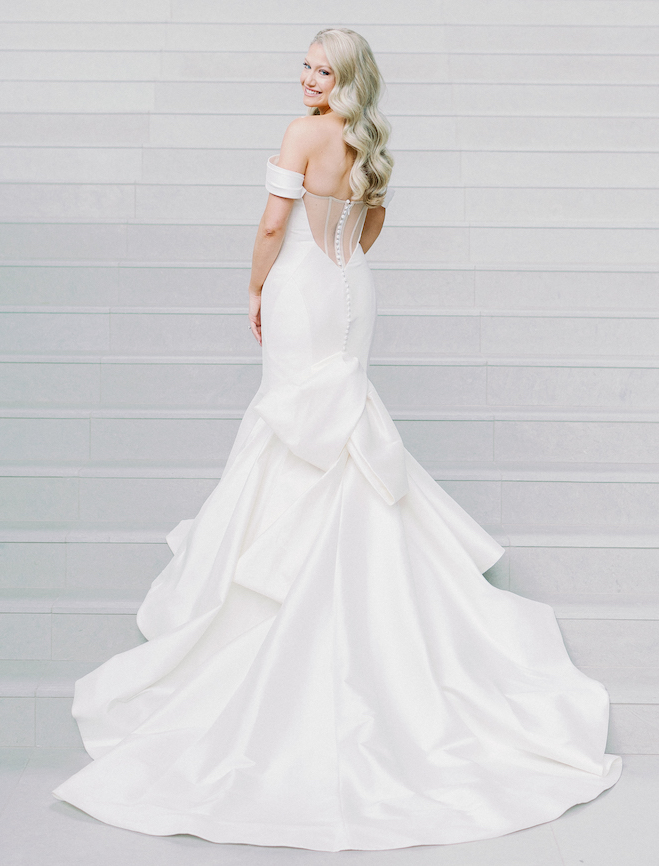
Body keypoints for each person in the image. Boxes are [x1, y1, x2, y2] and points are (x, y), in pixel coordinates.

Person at [52, 28, 621, 851]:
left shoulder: (301, 133)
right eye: (306, 64)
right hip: (352, 284)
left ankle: (279, 597)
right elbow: (370, 225)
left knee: (296, 427)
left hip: (302, 289)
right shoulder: (365, 140)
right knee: (339, 419)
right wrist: (336, 260)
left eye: (324, 69)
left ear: (346, 78)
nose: (309, 77)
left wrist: (256, 288)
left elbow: (272, 222)